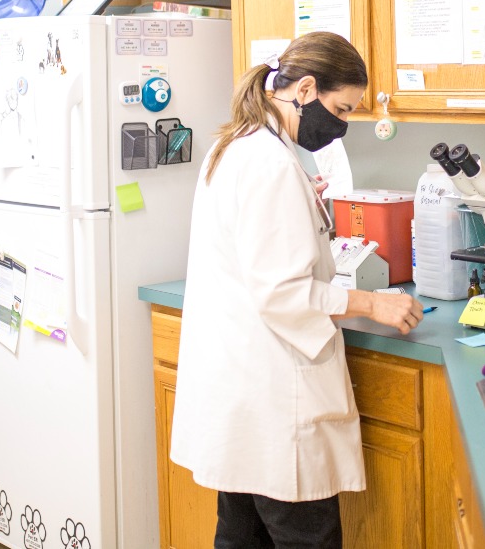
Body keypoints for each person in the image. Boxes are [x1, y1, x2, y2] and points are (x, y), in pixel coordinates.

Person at [170, 31, 424, 549]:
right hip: (272, 398)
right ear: (305, 89)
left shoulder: (237, 145)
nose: (343, 123)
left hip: (241, 391)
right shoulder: (269, 163)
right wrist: (374, 301)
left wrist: (300, 203)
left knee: (240, 537)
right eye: (341, 108)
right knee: (304, 540)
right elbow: (286, 293)